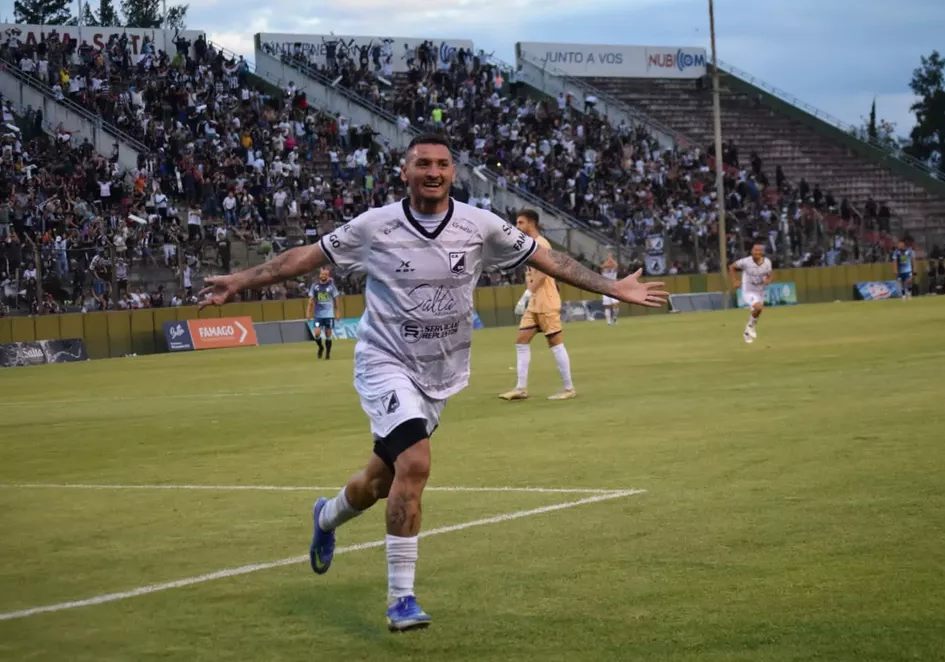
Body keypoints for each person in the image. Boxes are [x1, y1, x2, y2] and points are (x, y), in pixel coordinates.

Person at [199, 132, 668, 633]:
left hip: (440, 373)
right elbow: (304, 258)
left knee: (378, 483)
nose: (433, 172)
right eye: (422, 163)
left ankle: (326, 517)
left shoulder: (480, 225)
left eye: (442, 164)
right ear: (405, 172)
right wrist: (240, 281)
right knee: (417, 463)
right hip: (384, 363)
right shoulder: (374, 226)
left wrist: (610, 286)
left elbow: (548, 260)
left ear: (453, 173)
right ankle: (401, 598)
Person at [498, 209, 576, 402]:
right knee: (521, 340)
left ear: (531, 224)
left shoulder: (541, 244)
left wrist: (527, 294)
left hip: (546, 301)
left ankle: (569, 388)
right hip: (534, 303)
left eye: (520, 223)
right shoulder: (528, 245)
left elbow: (543, 273)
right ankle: (521, 388)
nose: (517, 226)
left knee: (555, 343)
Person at [729, 242, 772, 344]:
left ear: (762, 252)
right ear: (752, 251)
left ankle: (747, 331)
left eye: (759, 250)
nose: (757, 252)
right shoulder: (746, 262)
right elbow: (731, 267)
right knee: (758, 307)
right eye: (755, 250)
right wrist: (735, 281)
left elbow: (769, 275)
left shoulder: (767, 262)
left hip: (760, 291)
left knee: (757, 311)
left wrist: (768, 280)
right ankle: (750, 327)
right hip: (748, 290)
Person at [307, 267, 341, 360]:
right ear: (319, 275)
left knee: (328, 334)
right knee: (317, 333)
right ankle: (321, 347)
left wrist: (337, 312)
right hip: (318, 315)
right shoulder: (315, 286)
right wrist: (308, 312)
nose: (323, 276)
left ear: (328, 276)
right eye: (322, 274)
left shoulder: (331, 286)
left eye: (325, 275)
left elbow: (336, 299)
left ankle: (327, 354)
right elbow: (311, 300)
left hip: (329, 315)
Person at [600, 253, 620, 326]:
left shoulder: (614, 269)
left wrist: (610, 259)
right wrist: (609, 260)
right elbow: (601, 267)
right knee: (607, 306)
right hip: (606, 289)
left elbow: (616, 265)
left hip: (614, 288)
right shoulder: (604, 270)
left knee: (616, 305)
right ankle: (608, 322)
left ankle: (614, 317)